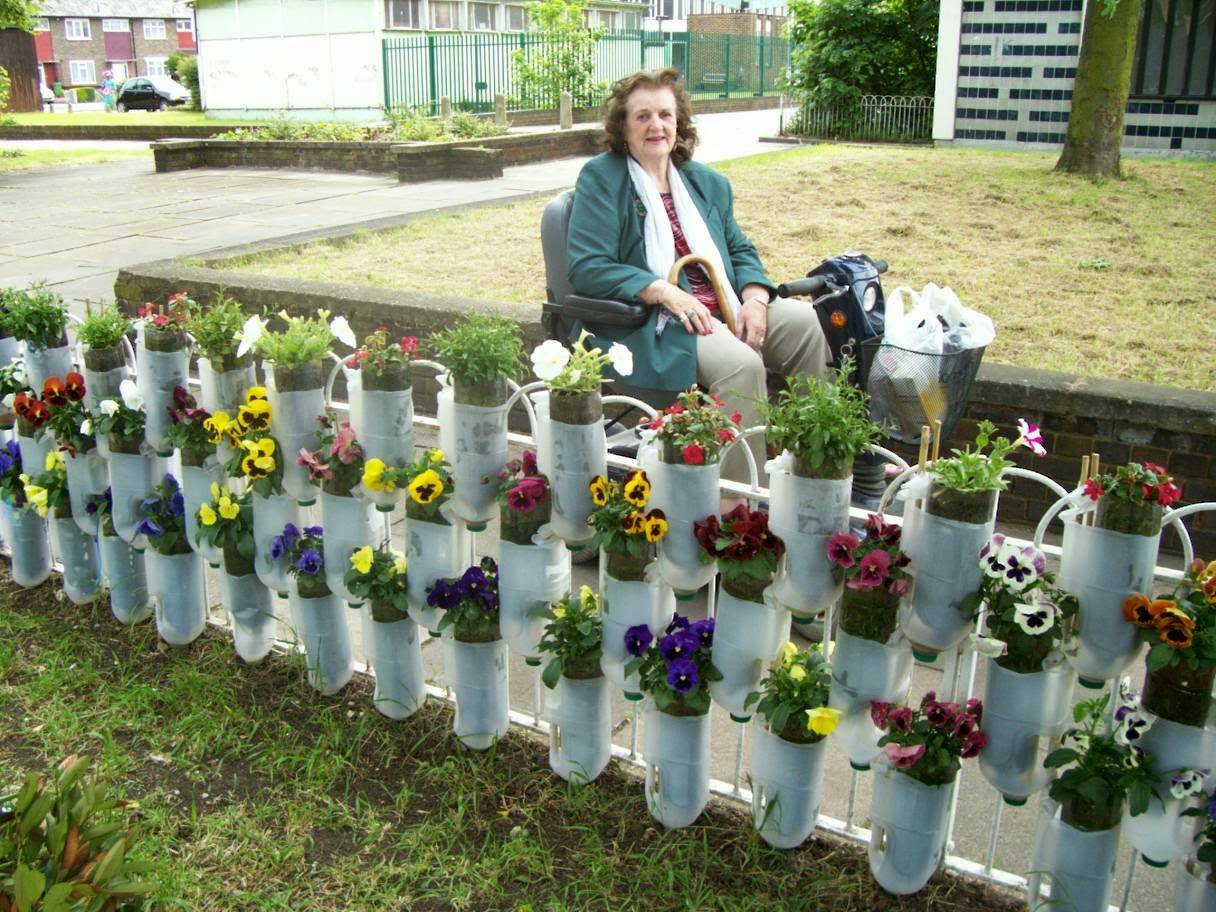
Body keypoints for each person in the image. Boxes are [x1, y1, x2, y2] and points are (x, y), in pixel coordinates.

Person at [566, 68, 832, 484]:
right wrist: (662, 291)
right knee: (741, 366)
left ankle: (812, 470)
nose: (656, 125)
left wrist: (757, 300)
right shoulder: (603, 179)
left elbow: (740, 250)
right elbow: (587, 267)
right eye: (642, 116)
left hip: (724, 300)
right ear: (623, 126)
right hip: (654, 320)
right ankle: (737, 499)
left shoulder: (706, 182)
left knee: (807, 325)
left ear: (679, 122)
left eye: (665, 115)